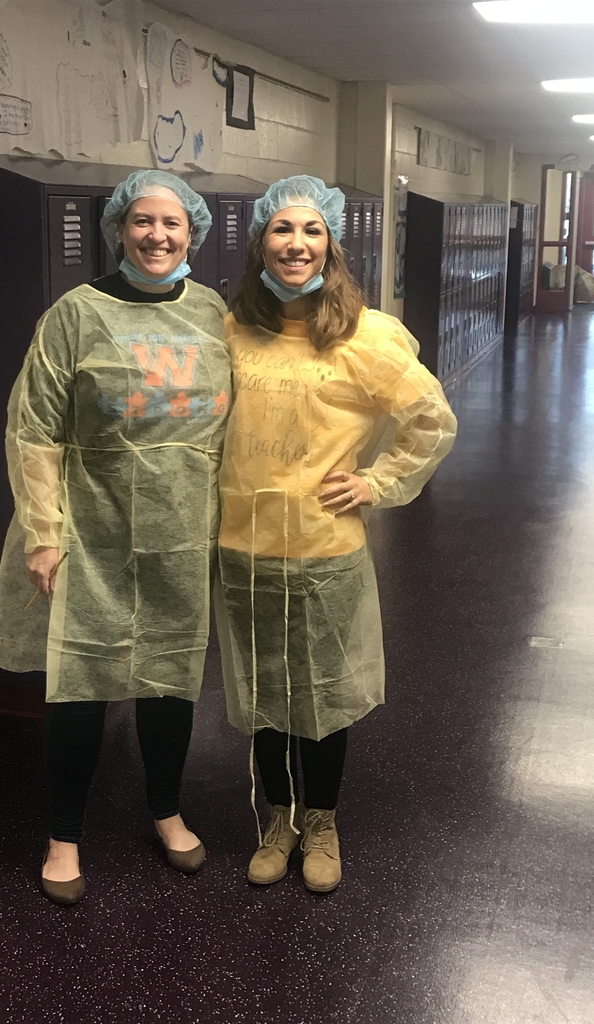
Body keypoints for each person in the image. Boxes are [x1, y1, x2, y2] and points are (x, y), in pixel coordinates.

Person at [0, 170, 231, 904]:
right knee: (79, 687)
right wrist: (43, 532)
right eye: (143, 222)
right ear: (119, 227)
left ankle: (166, 809)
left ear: (193, 233)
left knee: (170, 681)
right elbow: (34, 429)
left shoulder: (213, 313)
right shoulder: (76, 313)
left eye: (173, 224)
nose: (158, 236)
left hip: (184, 532)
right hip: (92, 529)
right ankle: (63, 836)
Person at [215, 176, 457, 893]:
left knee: (320, 695)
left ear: (332, 244)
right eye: (283, 230)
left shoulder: (363, 335)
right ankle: (278, 817)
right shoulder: (230, 330)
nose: (296, 244)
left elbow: (431, 420)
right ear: (261, 241)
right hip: (242, 544)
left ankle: (321, 820)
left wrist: (375, 483)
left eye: (311, 231)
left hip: (325, 546)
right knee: (264, 693)